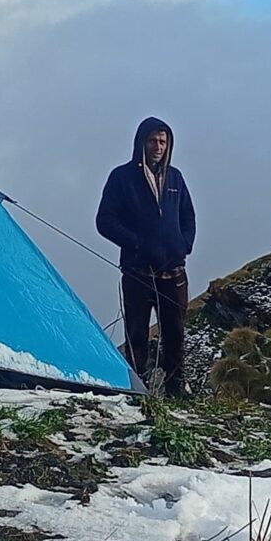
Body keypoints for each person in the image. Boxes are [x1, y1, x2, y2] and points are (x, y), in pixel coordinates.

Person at [94, 116, 195, 396]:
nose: (158, 147)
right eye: (152, 140)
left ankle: (176, 387)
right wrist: (135, 243)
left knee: (175, 332)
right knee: (137, 333)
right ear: (141, 142)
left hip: (174, 271)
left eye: (163, 141)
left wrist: (184, 244)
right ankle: (136, 387)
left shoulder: (175, 178)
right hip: (137, 273)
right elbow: (104, 220)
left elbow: (188, 214)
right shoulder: (122, 177)